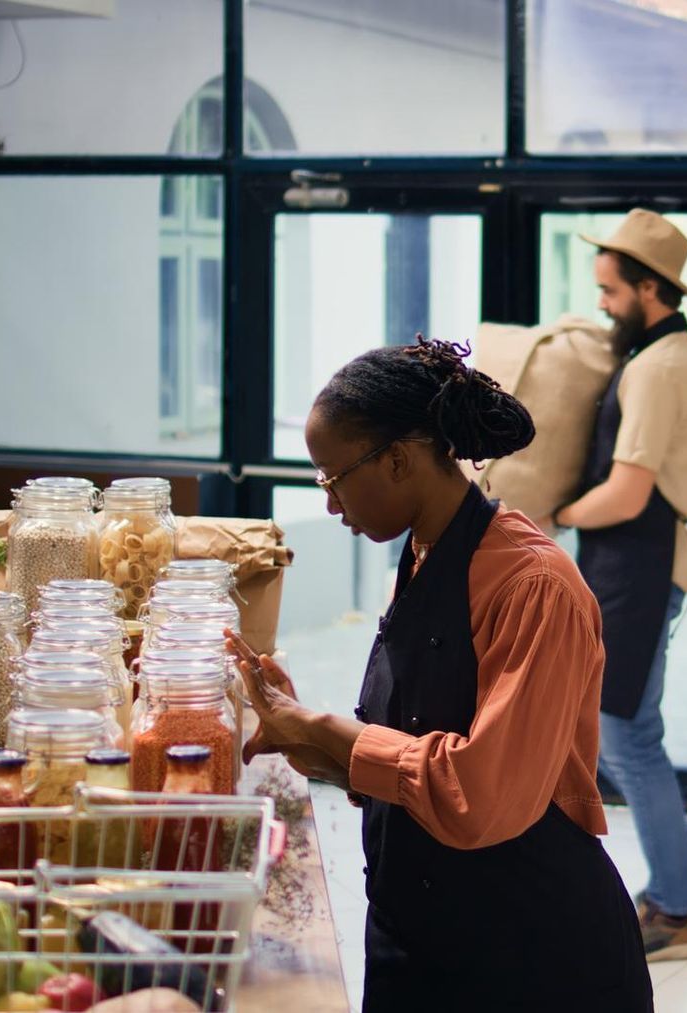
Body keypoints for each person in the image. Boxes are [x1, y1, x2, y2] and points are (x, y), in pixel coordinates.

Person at [227, 337, 652, 1010]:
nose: (331, 504)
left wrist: (326, 730)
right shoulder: (422, 555)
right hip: (422, 938)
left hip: (532, 958)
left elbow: (478, 793)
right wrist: (301, 734)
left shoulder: (532, 584)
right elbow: (404, 766)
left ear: (397, 459)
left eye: (333, 478)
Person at [550, 209, 687, 962]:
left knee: (624, 731)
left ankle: (676, 911)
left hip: (641, 562)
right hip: (630, 563)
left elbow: (625, 493)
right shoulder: (668, 349)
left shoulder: (658, 366)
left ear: (650, 287)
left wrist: (552, 511)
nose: (602, 304)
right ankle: (686, 851)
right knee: (608, 723)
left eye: (611, 291)